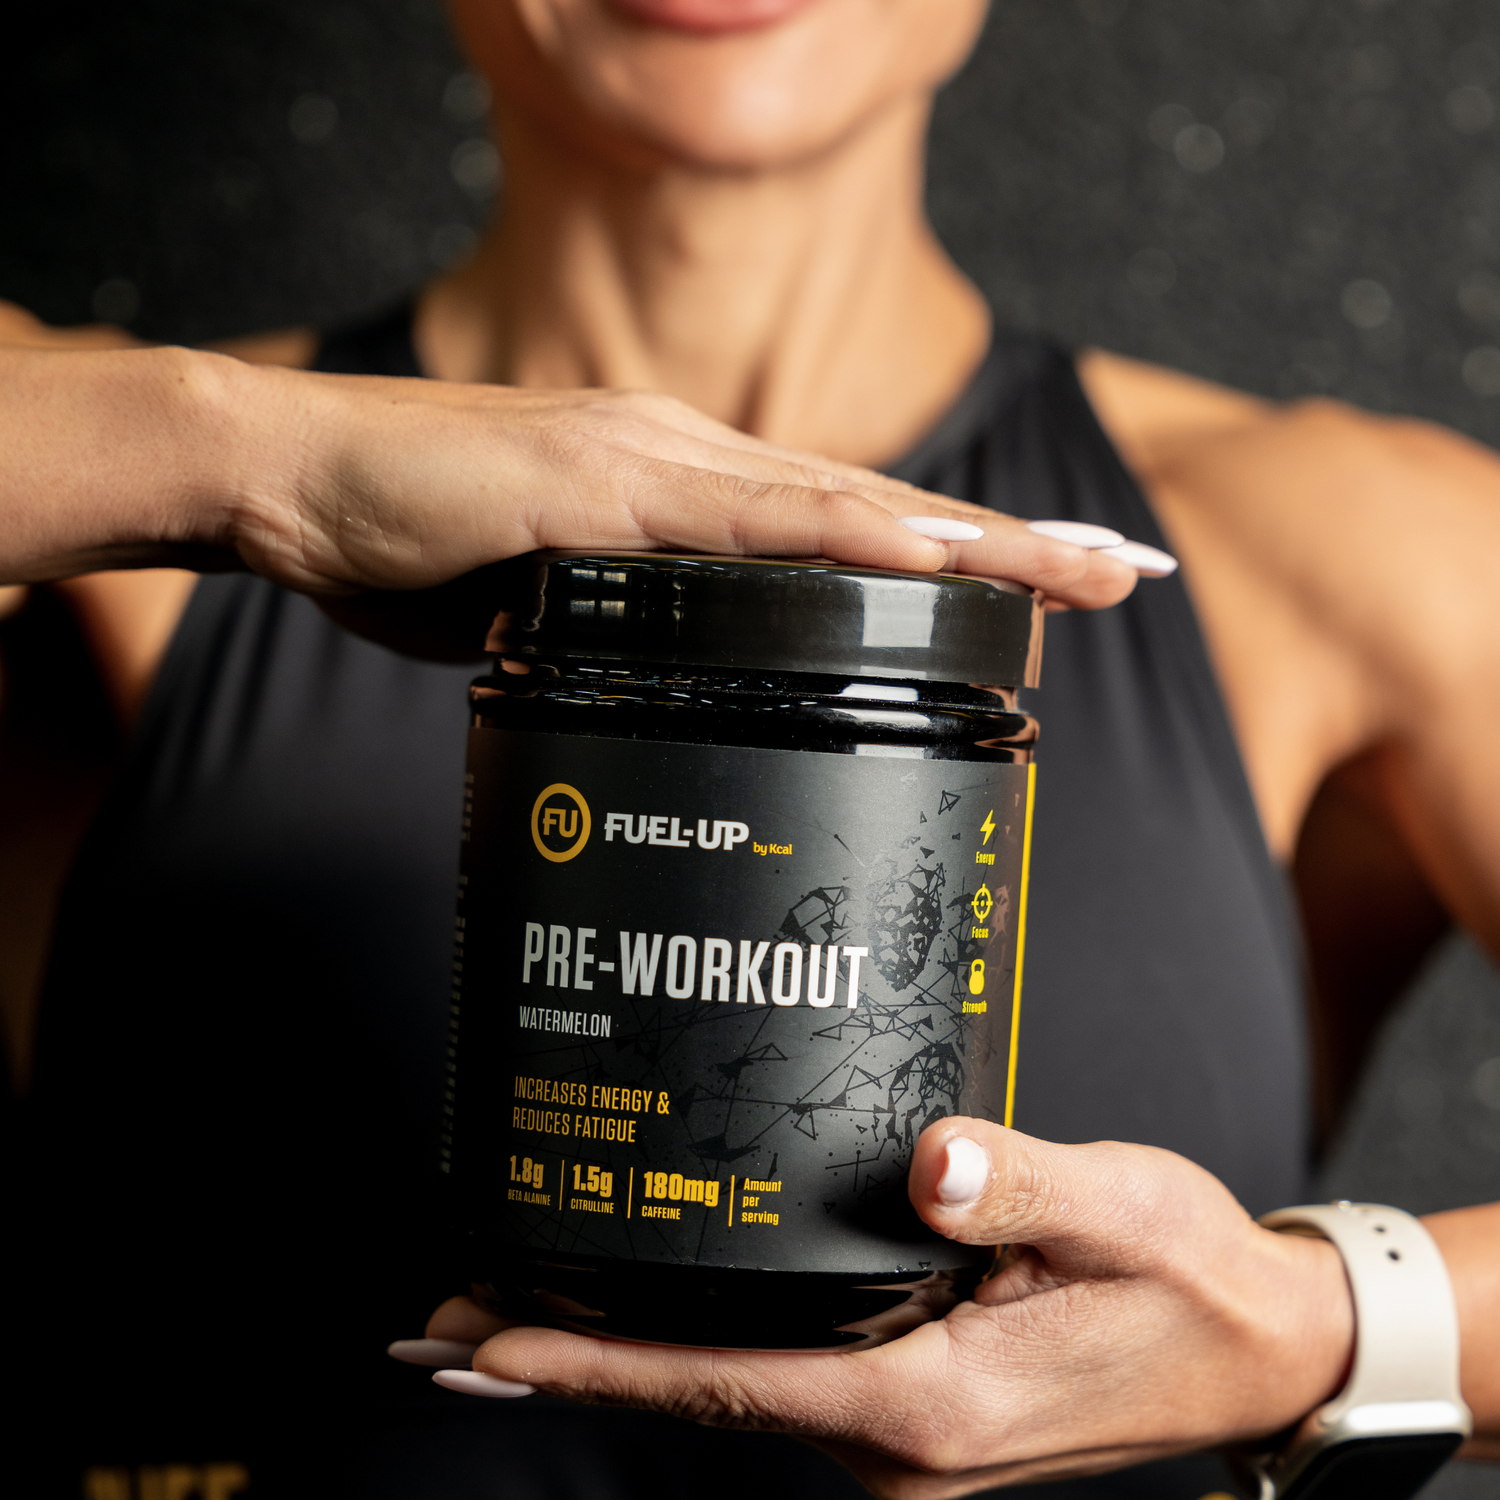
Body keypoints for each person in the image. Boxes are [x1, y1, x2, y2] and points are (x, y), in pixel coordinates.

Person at [5, 0, 1498, 1497]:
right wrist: (242, 454)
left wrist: (1322, 1322)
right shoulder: (124, 496)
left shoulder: (1354, 550)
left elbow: (1336, 1323)